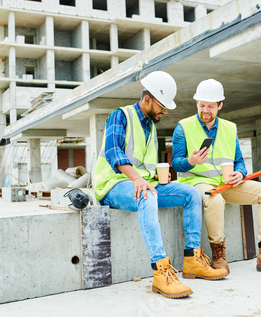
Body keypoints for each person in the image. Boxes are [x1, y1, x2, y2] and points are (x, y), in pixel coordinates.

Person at [94, 71, 228, 299]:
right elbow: (113, 152)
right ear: (148, 99)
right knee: (147, 196)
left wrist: (156, 177)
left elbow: (143, 166)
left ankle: (192, 259)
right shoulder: (121, 115)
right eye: (162, 106)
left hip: (140, 183)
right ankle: (161, 271)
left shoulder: (150, 126)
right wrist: (137, 179)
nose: (165, 111)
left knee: (190, 194)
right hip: (113, 185)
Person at [172, 78, 261, 273]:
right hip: (197, 182)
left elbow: (239, 160)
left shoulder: (229, 128)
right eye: (201, 105)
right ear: (196, 103)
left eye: (210, 106)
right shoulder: (183, 127)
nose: (205, 110)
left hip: (227, 183)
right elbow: (176, 162)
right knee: (214, 200)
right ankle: (218, 253)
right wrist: (191, 161)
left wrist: (240, 173)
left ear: (220, 105)